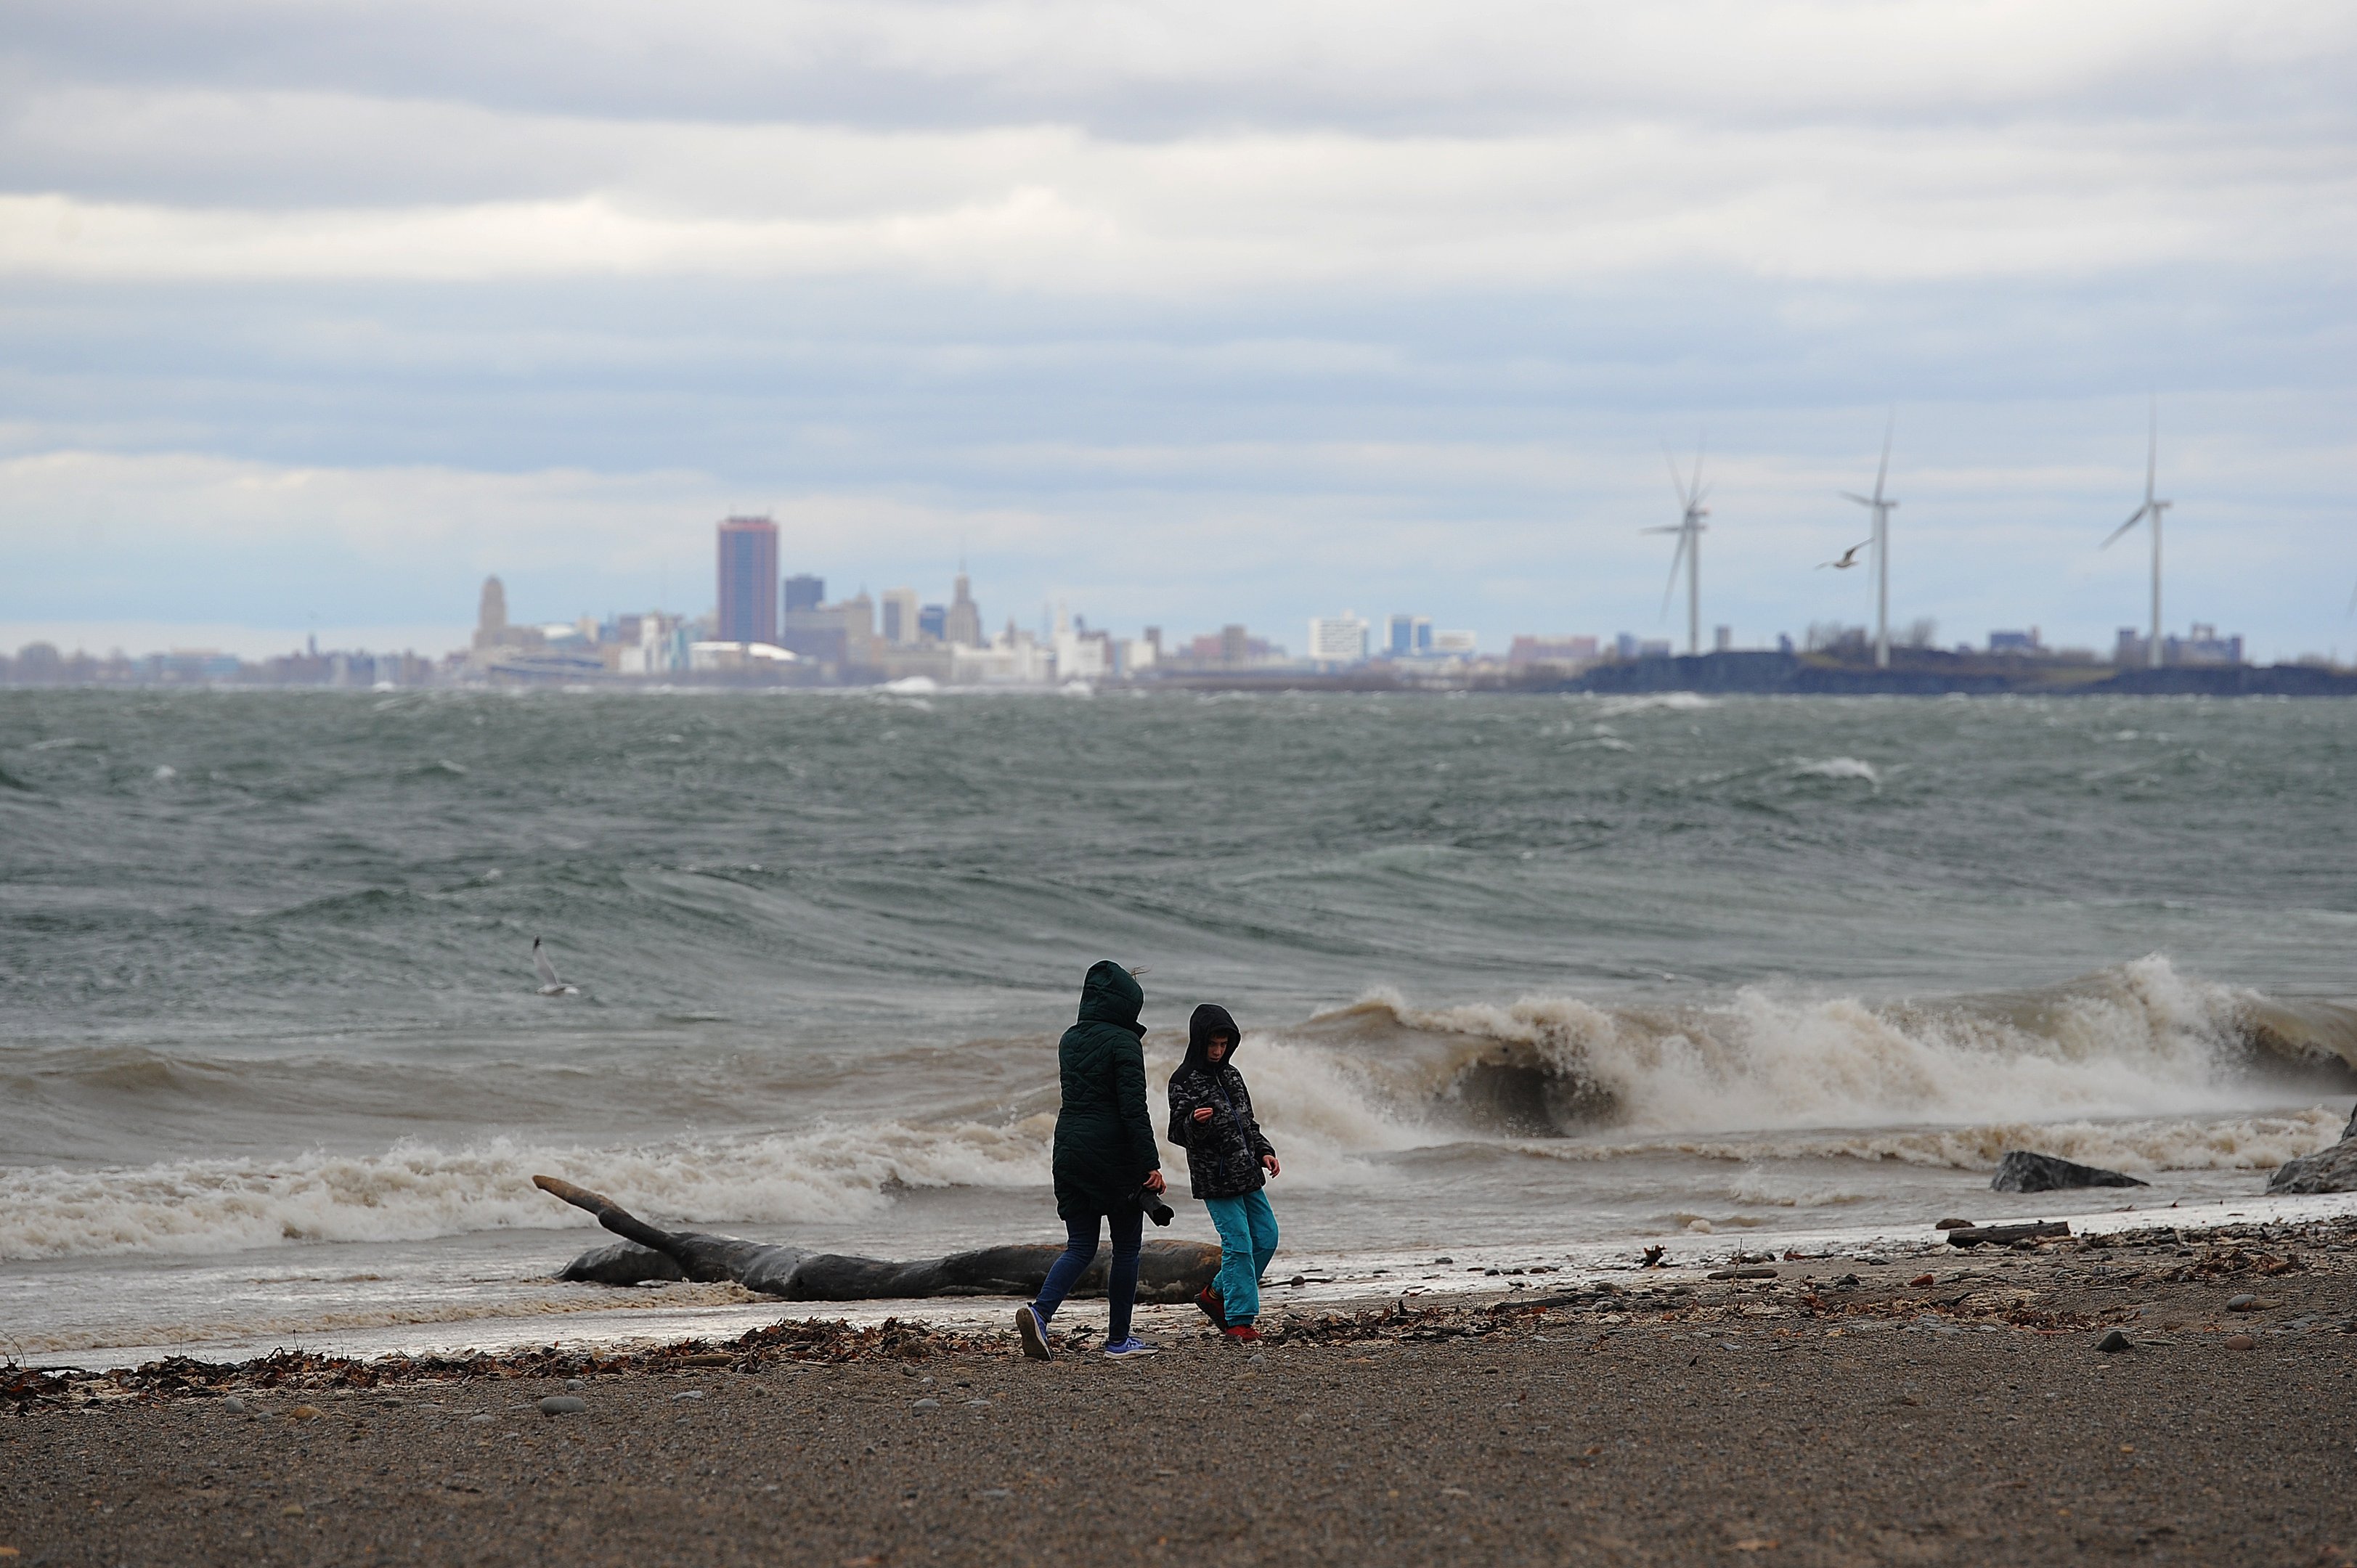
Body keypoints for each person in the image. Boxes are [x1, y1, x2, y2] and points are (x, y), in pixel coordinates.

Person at [1016, 960, 1167, 1361]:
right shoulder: (1124, 1044)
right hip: (1113, 1155)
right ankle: (1119, 1340)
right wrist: (1150, 1164)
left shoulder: (1070, 1039)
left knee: (1081, 1245)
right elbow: (1134, 1110)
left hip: (1068, 1148)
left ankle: (1040, 1313)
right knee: (1127, 1249)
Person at [1165, 1003, 1279, 1344]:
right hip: (1215, 1179)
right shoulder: (1183, 1080)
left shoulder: (1232, 1075)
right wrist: (1194, 1124)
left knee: (1267, 1238)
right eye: (1212, 1044)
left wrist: (1264, 1151)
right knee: (1239, 1246)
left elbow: (1248, 1124)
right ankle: (1239, 1321)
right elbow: (1176, 1133)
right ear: (1199, 1041)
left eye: (1223, 1045)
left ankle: (1215, 1294)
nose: (1217, 1051)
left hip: (1247, 1174)